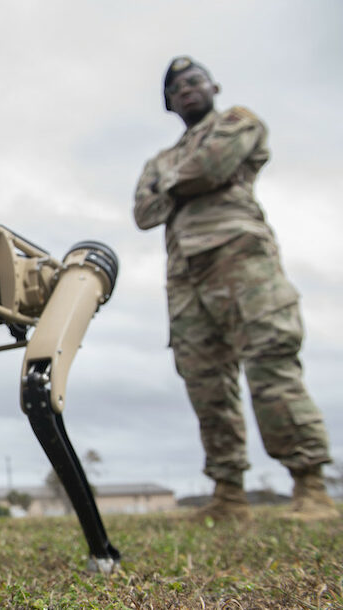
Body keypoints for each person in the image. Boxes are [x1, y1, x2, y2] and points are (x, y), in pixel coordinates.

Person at [134, 57, 338, 523]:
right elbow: (144, 213)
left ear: (213, 86)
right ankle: (228, 494)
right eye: (176, 88)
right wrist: (180, 181)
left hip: (240, 258)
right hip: (184, 275)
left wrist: (171, 185)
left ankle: (310, 486)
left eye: (194, 81)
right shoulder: (159, 158)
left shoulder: (237, 121)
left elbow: (212, 166)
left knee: (270, 361)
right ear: (168, 103)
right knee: (205, 381)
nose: (186, 89)